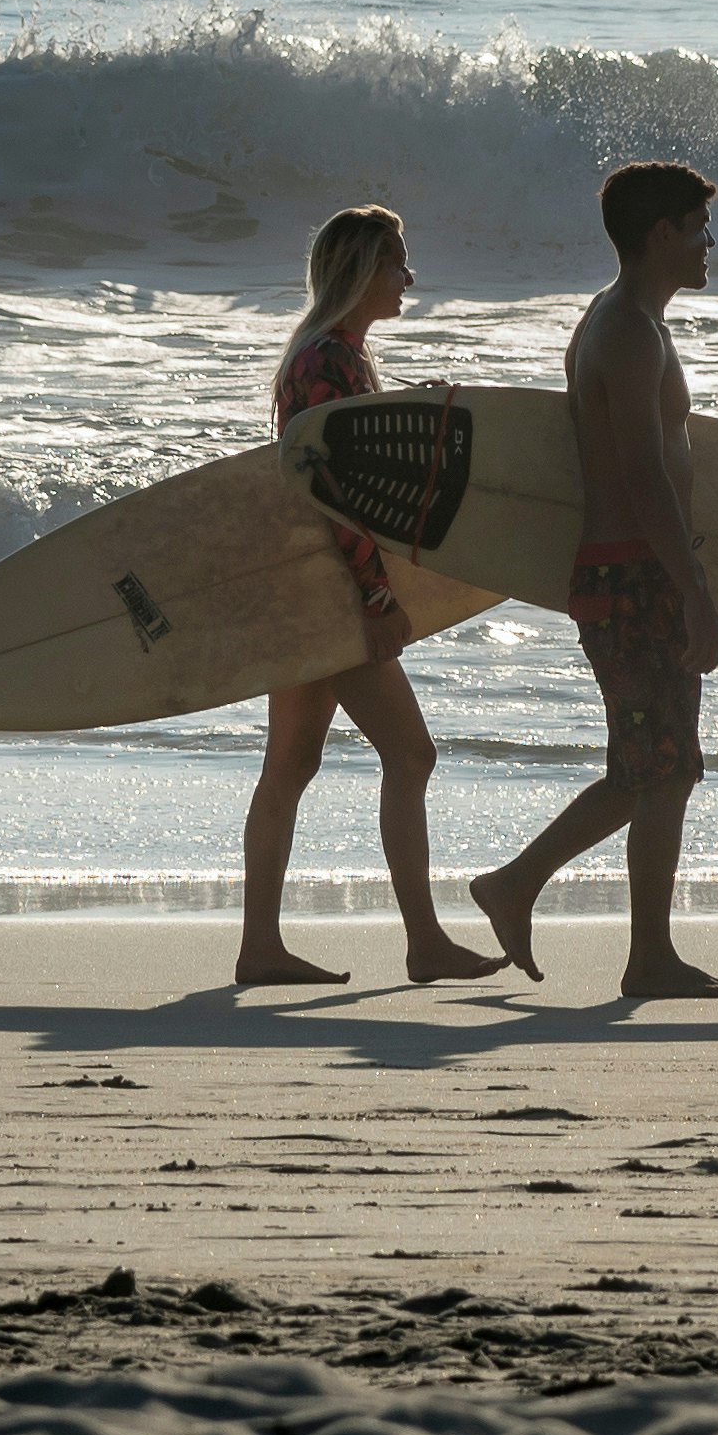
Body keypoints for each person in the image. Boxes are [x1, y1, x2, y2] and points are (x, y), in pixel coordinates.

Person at [474, 160, 718, 1001]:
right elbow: (640, 475)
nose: (709, 243)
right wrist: (693, 588)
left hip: (630, 575)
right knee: (657, 767)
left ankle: (539, 896)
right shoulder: (626, 331)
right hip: (632, 578)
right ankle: (605, 932)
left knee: (661, 765)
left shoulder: (624, 321)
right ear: (659, 234)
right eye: (696, 226)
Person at [239, 204, 507, 990]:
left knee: (289, 765)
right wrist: (374, 597)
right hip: (330, 594)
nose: (408, 277)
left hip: (302, 587)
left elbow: (344, 468)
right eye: (396, 263)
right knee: (410, 753)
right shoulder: (329, 361)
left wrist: (411, 415)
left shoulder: (326, 356)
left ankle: (260, 946)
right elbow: (335, 494)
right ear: (361, 271)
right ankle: (423, 942)